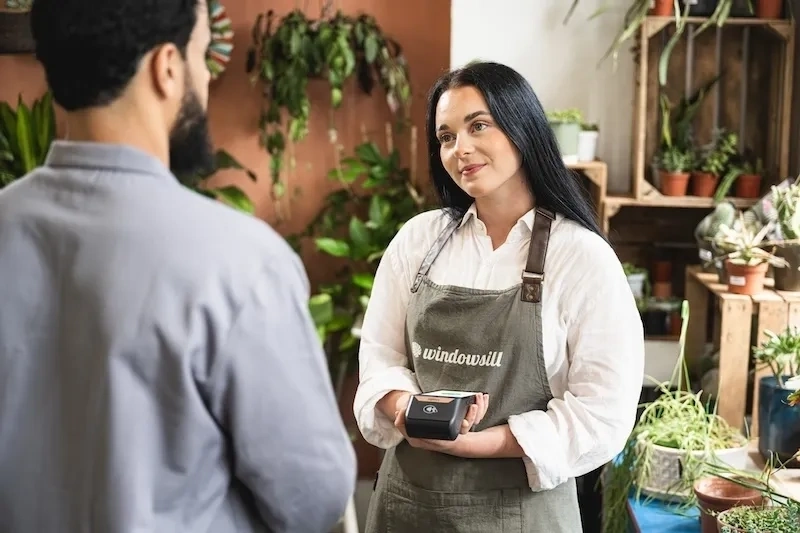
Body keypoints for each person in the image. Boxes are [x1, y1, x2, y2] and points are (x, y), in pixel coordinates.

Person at [0, 1, 356, 532]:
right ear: (167, 67)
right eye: (199, 57)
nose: (205, 84)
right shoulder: (240, 264)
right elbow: (312, 496)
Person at [353, 61, 645, 532]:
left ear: (522, 127)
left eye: (478, 126)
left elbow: (602, 413)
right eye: (445, 137)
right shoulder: (418, 240)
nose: (460, 148)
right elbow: (380, 358)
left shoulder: (581, 258)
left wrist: (485, 443)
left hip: (524, 514)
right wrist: (405, 411)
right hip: (406, 506)